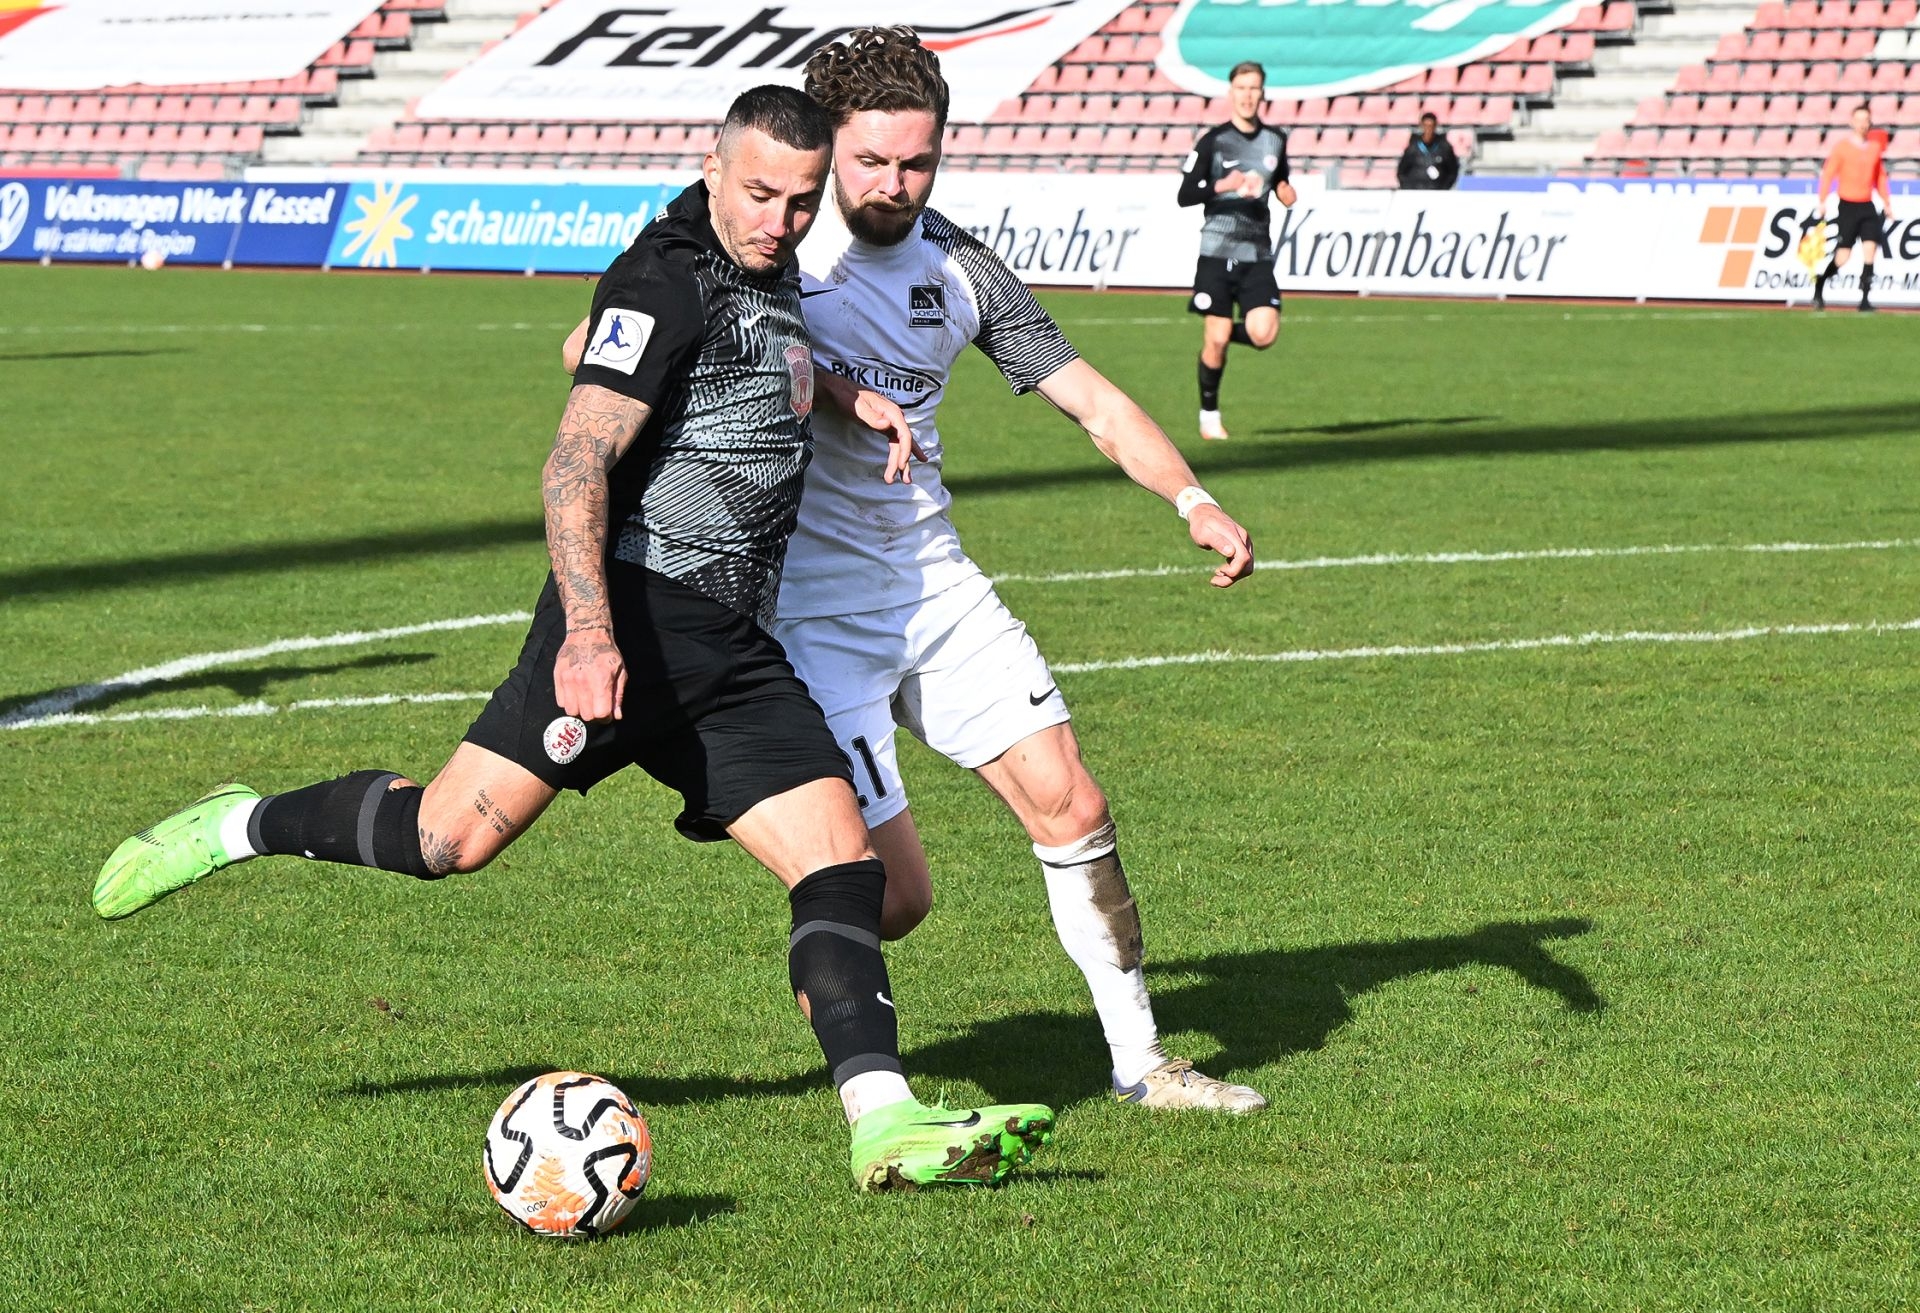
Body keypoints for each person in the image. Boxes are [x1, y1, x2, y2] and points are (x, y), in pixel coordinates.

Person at [91, 85, 1054, 1195]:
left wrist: (841, 393)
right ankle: (243, 822)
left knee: (844, 865)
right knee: (443, 840)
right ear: (710, 165)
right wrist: (589, 634)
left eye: (799, 201)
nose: (780, 221)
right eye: (758, 195)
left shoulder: (766, 252)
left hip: (730, 649)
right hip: (627, 620)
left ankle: (885, 1124)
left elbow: (700, 353)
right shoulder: (666, 274)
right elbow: (574, 461)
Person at [567, 29, 1263, 1112]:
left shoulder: (960, 268)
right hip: (805, 610)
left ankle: (1144, 1064)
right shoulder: (758, 243)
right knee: (890, 898)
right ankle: (845, 999)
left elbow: (1095, 401)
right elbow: (589, 346)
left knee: (1071, 799)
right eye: (872, 162)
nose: (895, 185)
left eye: (918, 162)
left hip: (932, 581)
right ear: (824, 146)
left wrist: (1194, 498)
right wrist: (828, 379)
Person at [1176, 59, 1295, 441]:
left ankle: (1224, 331)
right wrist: (1222, 186)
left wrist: (1284, 191)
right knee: (1215, 339)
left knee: (1264, 334)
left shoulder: (1276, 139)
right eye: (1241, 88)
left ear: (1263, 93)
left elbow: (1279, 179)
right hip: (1216, 251)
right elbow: (1185, 195)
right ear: (1231, 92)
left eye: (1254, 88)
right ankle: (1209, 416)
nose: (1248, 95)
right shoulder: (1214, 140)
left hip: (1257, 253)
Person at [1812, 104, 1893, 312]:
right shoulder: (1842, 148)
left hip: (1867, 205)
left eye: (1866, 120)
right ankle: (1820, 283)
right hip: (1847, 205)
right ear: (1852, 122)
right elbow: (1829, 174)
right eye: (1859, 120)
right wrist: (1822, 201)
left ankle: (1865, 300)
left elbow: (1879, 176)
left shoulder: (1875, 148)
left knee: (1870, 249)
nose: (1863, 124)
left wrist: (1886, 202)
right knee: (1843, 256)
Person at [1395, 113, 1458, 191]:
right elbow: (1402, 171)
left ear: (1435, 126)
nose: (1428, 129)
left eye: (1431, 126)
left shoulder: (1444, 148)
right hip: (1415, 191)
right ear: (1422, 126)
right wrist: (1408, 188)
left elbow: (1452, 171)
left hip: (1437, 191)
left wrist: (1444, 188)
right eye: (1426, 126)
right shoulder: (1413, 147)